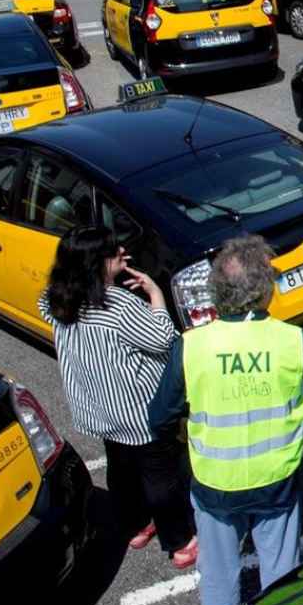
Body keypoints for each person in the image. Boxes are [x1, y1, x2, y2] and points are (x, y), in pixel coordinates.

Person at [146, 235, 303, 605]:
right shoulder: (292, 340)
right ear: (265, 291)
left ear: (216, 293)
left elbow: (159, 416)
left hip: (214, 484)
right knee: (282, 577)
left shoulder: (192, 346)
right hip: (274, 482)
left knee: (218, 581)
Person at [40, 227, 198, 569]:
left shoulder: (56, 298)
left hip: (98, 406)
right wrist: (155, 294)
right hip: (139, 409)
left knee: (121, 470)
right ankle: (181, 540)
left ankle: (137, 526)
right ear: (97, 263)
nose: (122, 253)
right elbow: (163, 339)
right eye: (114, 252)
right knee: (162, 476)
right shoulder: (118, 304)